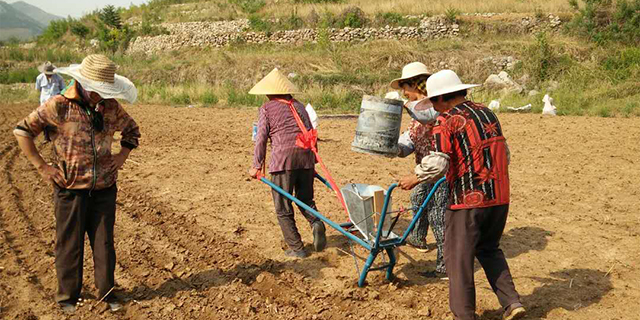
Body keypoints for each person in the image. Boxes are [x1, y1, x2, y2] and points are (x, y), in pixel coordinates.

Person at [13, 54, 140, 314]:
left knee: (104, 244)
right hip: (69, 188)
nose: (99, 95)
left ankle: (107, 292)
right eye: (97, 90)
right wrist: (42, 167)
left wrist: (122, 155)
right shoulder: (59, 105)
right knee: (69, 244)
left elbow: (132, 130)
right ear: (83, 82)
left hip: (104, 186)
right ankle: (67, 297)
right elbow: (23, 131)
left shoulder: (111, 107)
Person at [412, 69, 524, 320]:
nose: (434, 107)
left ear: (441, 99)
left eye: (433, 101)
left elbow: (439, 163)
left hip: (467, 200)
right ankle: (512, 302)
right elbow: (503, 152)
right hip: (499, 195)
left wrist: (415, 177)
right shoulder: (487, 112)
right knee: (489, 248)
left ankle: (464, 315)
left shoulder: (446, 120)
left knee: (458, 258)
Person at [248, 68, 327, 259]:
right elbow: (311, 131)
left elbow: (261, 139)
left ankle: (297, 248)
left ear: (270, 92)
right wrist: (312, 160)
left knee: (282, 207)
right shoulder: (299, 106)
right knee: (305, 199)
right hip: (306, 157)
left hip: (283, 160)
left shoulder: (266, 109)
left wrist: (256, 165)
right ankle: (316, 222)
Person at [391, 62, 450, 279]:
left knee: (439, 216)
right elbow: (406, 145)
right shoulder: (417, 117)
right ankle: (417, 238)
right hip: (426, 172)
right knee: (417, 197)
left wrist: (401, 107)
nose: (404, 93)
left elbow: (425, 116)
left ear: (417, 85)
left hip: (442, 173)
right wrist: (390, 146)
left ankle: (447, 266)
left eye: (405, 87)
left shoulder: (436, 109)